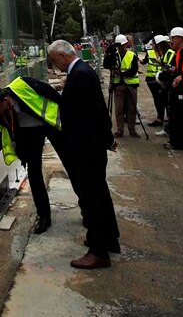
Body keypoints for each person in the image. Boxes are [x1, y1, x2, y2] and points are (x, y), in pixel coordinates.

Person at [46, 40, 120, 269]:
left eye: (53, 61)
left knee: (92, 196)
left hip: (87, 146)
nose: (54, 66)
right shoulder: (81, 71)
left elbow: (96, 110)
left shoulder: (79, 74)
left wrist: (107, 137)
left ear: (61, 55)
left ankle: (98, 251)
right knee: (99, 192)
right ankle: (108, 239)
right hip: (89, 144)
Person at [0, 77, 64, 234]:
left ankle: (87, 208)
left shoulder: (22, 86)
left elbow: (51, 94)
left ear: (6, 100)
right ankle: (44, 216)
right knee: (34, 173)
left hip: (49, 124)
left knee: (71, 163)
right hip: (28, 133)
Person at [111, 34, 140, 138]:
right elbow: (106, 65)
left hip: (131, 85)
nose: (119, 47)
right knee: (119, 109)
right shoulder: (114, 55)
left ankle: (132, 130)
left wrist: (120, 73)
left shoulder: (132, 55)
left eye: (121, 45)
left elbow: (133, 71)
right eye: (118, 45)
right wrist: (108, 53)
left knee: (132, 109)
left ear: (125, 45)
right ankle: (120, 130)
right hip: (118, 85)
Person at [142, 35, 167, 126]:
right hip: (152, 79)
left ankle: (164, 117)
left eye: (153, 44)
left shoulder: (167, 53)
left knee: (164, 99)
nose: (152, 45)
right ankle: (160, 117)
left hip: (163, 79)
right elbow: (144, 61)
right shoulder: (150, 52)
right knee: (157, 99)